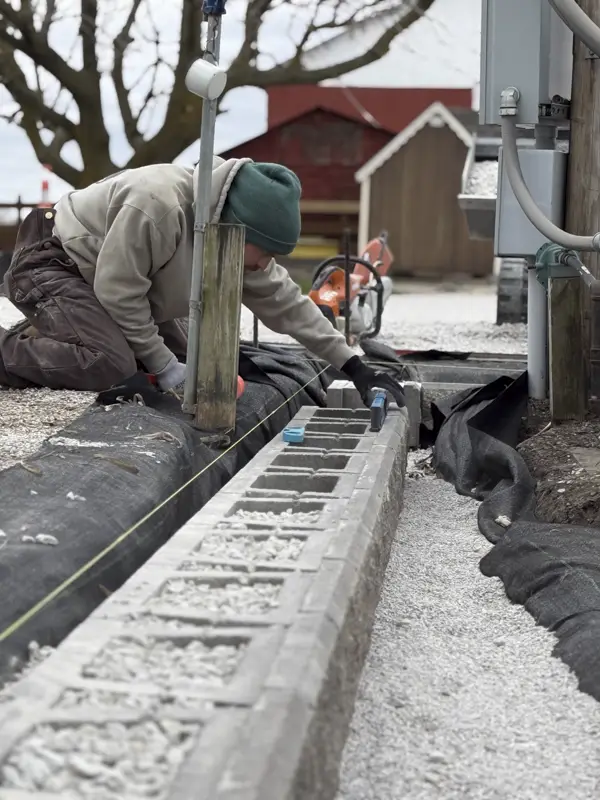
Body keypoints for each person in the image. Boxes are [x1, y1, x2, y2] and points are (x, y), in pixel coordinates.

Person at [0, 156, 405, 408]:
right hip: (53, 261)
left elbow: (288, 304)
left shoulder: (231, 234)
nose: (266, 264)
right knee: (110, 365)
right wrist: (162, 365)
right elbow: (118, 293)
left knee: (195, 360)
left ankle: (67, 327)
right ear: (237, 228)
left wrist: (355, 367)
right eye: (265, 252)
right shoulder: (157, 206)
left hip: (104, 279)